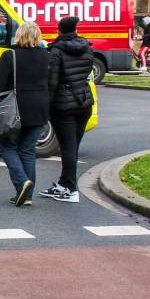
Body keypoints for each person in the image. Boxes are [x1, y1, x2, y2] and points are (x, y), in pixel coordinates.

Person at [0, 21, 51, 207]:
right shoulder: (46, 56)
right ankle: (27, 195)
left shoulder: (10, 56)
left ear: (19, 35)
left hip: (15, 109)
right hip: (39, 109)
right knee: (28, 151)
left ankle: (21, 182)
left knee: (7, 146)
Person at [41, 16, 95, 203]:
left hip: (63, 106)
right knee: (73, 147)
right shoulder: (86, 47)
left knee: (67, 148)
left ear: (59, 30)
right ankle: (64, 184)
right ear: (76, 29)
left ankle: (71, 190)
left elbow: (52, 83)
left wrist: (45, 109)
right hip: (84, 102)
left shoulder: (56, 51)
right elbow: (87, 72)